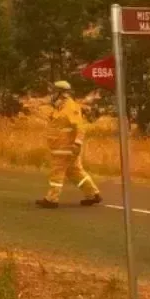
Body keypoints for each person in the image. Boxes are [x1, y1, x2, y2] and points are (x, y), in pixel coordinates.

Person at [36, 80, 102, 209]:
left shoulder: (71, 107)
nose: (51, 95)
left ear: (61, 93)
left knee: (57, 172)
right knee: (75, 172)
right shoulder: (59, 107)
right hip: (60, 147)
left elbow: (80, 127)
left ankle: (51, 199)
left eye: (54, 92)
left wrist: (77, 143)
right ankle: (93, 194)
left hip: (65, 148)